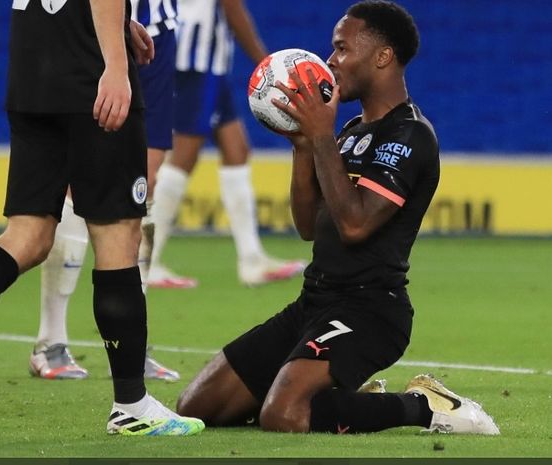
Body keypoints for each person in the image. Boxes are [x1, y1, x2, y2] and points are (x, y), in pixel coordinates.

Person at [176, 0, 500, 435]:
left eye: (342, 48)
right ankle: (339, 402)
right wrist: (303, 148)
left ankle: (421, 405)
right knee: (196, 406)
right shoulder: (348, 133)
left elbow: (355, 224)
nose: (330, 60)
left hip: (370, 311)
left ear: (383, 57)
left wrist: (322, 136)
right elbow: (309, 226)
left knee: (284, 415)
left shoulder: (411, 135)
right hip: (314, 303)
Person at [0, 0, 204, 437]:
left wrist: (118, 23)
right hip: (88, 75)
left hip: (33, 71)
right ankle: (131, 404)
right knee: (117, 236)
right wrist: (114, 64)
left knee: (28, 234)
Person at [28, 0, 182, 382]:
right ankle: (50, 340)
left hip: (158, 31)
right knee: (75, 179)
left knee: (143, 189)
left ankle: (135, 344)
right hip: (91, 34)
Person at [146, 0, 306, 289]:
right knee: (185, 153)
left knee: (236, 150)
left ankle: (251, 259)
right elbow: (232, 7)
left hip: (206, 58)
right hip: (196, 58)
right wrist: (266, 65)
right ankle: (147, 259)